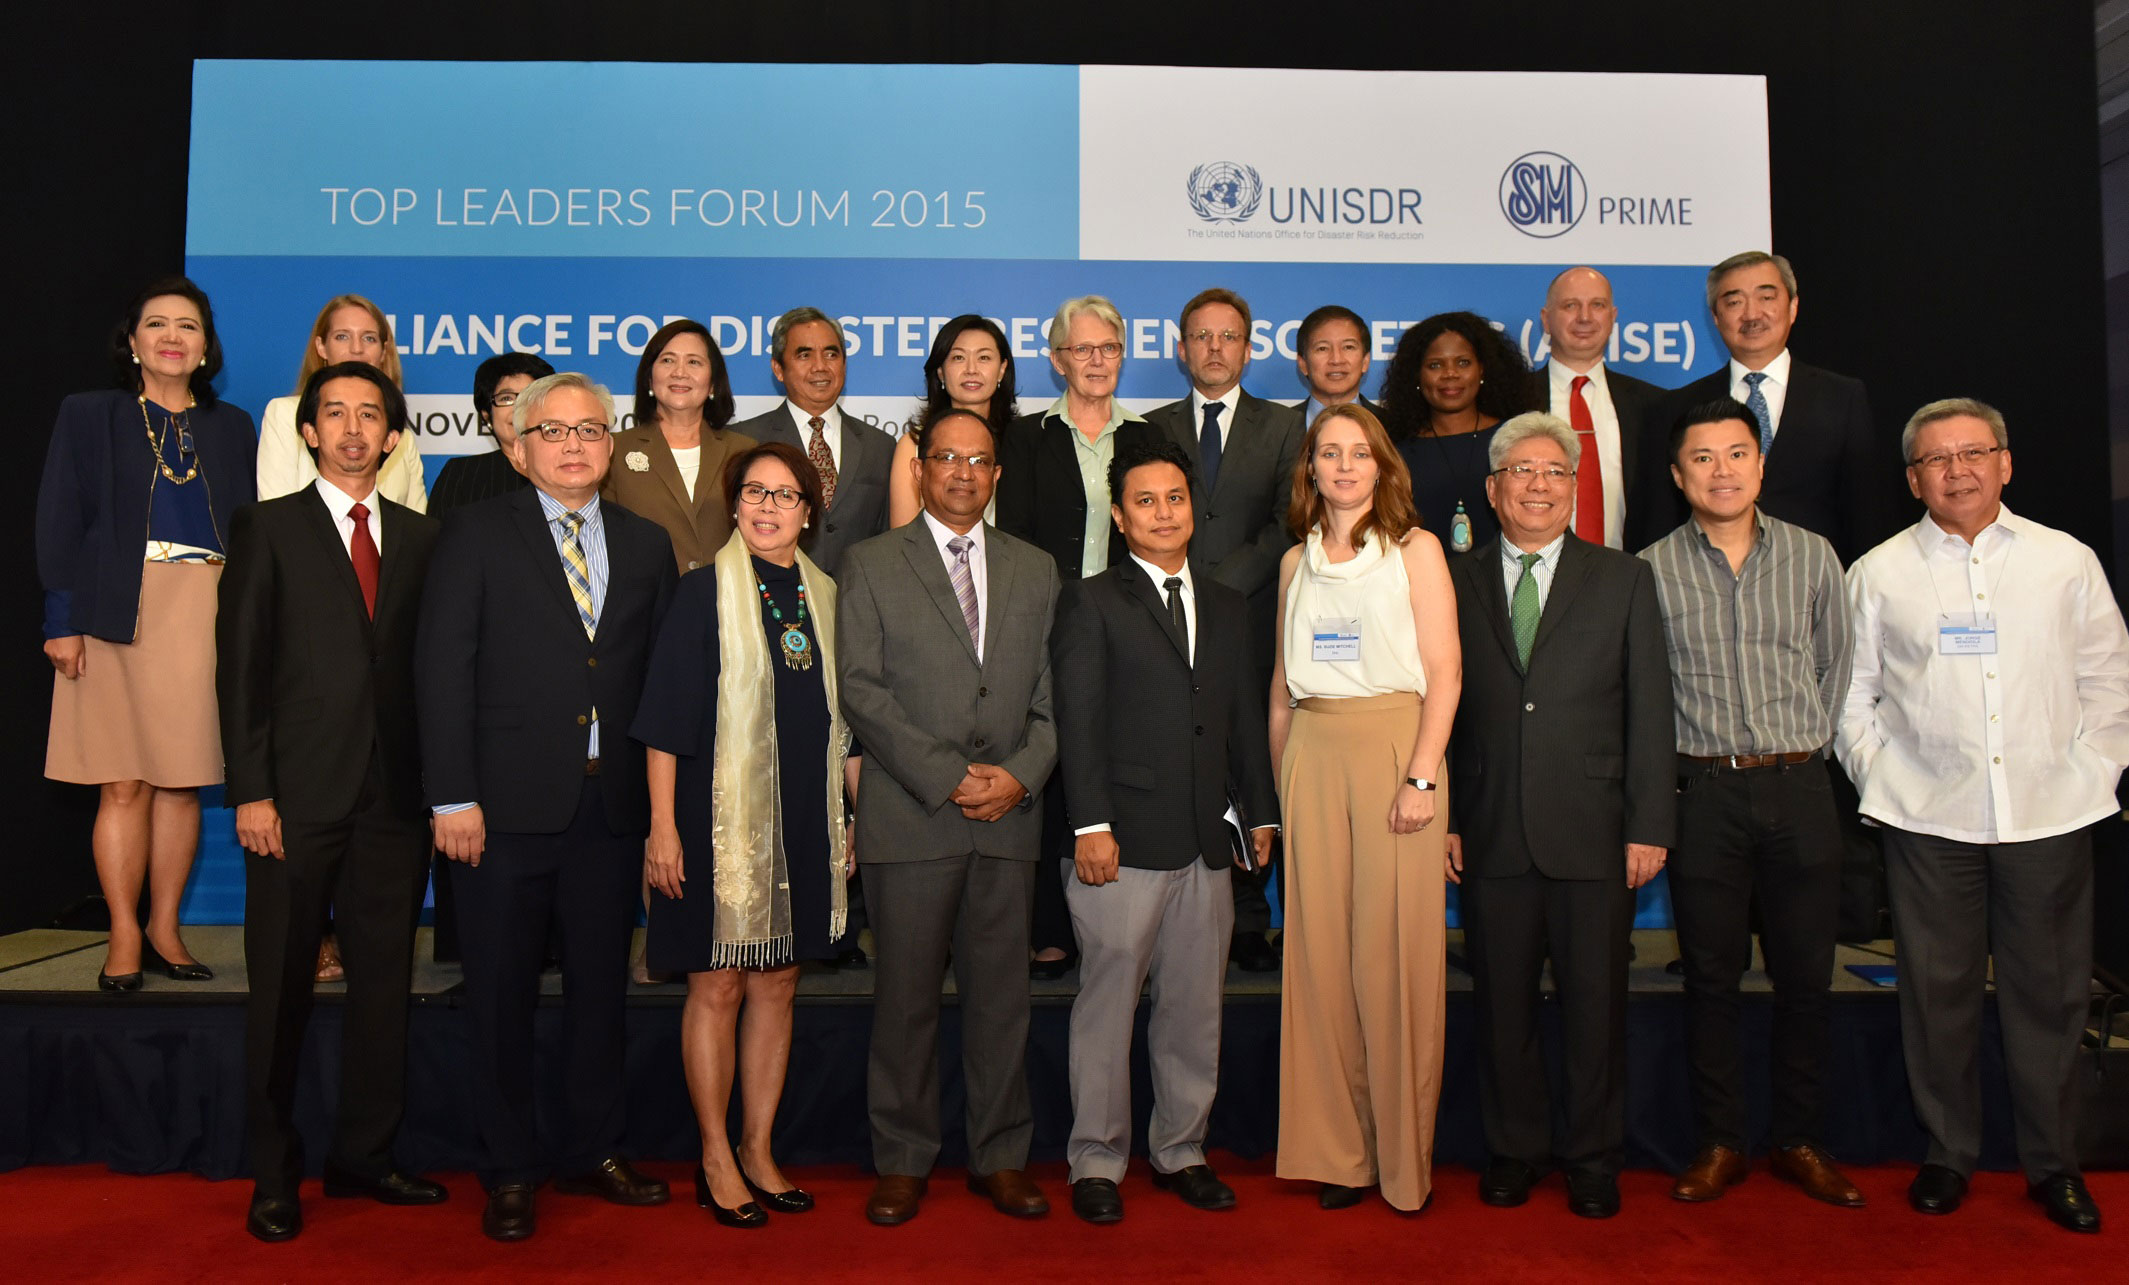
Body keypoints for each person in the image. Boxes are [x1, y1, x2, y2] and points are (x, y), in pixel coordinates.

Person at [1838, 398, 2129, 1234]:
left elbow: (2107, 677)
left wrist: (2093, 769)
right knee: (1937, 996)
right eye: (1936, 459)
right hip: (1928, 820)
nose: (1956, 470)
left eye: (1972, 453)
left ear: (2004, 462)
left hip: (2048, 813)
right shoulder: (1878, 572)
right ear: (1912, 480)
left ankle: (2053, 1164)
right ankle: (1947, 1153)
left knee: (2050, 997)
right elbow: (1850, 697)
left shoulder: (2064, 560)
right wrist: (1883, 778)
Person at [417, 372, 679, 1242]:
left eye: (590, 430)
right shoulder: (473, 532)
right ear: (519, 447)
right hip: (498, 812)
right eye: (554, 431)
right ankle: (509, 1166)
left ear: (612, 443)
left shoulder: (645, 543)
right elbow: (442, 668)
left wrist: (662, 809)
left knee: (600, 993)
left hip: (610, 809)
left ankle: (593, 1149)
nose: (573, 446)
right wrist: (452, 794)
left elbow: (658, 684)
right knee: (499, 998)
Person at [216, 362, 446, 1242]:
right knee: (280, 992)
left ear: (393, 436)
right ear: (309, 431)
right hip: (293, 800)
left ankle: (366, 1156)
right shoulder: (267, 526)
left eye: (370, 414)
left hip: (394, 801)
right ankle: (274, 1174)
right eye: (335, 414)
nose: (353, 428)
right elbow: (240, 670)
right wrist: (252, 790)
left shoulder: (423, 538)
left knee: (384, 989)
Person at [1446, 412, 1674, 1219]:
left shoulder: (1622, 578)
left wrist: (1649, 823)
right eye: (1521, 471)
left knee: (1594, 1008)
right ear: (1492, 489)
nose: (1537, 486)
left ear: (1574, 487)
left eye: (1554, 472)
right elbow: (1439, 705)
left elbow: (1650, 708)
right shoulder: (1452, 578)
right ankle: (1513, 1149)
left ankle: (1591, 1155)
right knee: (1501, 1006)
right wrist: (1445, 811)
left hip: (1595, 829)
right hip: (1488, 825)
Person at [837, 408, 1061, 1227]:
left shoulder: (1035, 567)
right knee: (905, 1003)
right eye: (946, 458)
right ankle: (902, 1159)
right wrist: (947, 775)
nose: (963, 472)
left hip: (1008, 816)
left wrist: (1020, 775)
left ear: (996, 473)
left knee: (1002, 1002)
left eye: (978, 460)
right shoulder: (870, 562)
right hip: (911, 815)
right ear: (921, 468)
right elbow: (860, 689)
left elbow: (1052, 695)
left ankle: (1000, 1155)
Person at [1639, 398, 1862, 1208]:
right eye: (1701, 458)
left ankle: (1798, 1139)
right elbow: (1646, 691)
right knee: (1710, 976)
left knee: (1806, 975)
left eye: (1736, 453)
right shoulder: (1648, 569)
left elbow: (1837, 666)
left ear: (1760, 464)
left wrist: (1803, 747)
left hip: (1798, 785)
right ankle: (1721, 1141)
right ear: (1677, 475)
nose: (1721, 470)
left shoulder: (1812, 555)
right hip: (1703, 792)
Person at [1052, 436, 1278, 1224]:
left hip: (1206, 842)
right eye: (1143, 501)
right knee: (1107, 1009)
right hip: (1118, 843)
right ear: (1119, 517)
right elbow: (1077, 721)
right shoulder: (1089, 602)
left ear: (1192, 507)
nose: (1162, 513)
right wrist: (1090, 824)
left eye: (1174, 498)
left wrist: (1261, 810)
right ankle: (1096, 1159)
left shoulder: (1225, 603)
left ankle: (1181, 1148)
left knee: (1193, 1008)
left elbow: (1242, 718)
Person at [635, 442, 849, 1228]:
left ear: (807, 512)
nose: (767, 507)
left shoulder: (827, 596)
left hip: (803, 817)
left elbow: (843, 727)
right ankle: (714, 1154)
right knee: (718, 984)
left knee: (778, 981)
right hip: (710, 819)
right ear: (734, 505)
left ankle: (758, 1149)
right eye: (754, 492)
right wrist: (662, 828)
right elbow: (663, 722)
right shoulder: (701, 592)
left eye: (785, 495)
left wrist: (847, 821)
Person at [1267, 403, 1460, 1213]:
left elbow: (1445, 673)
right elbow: (1280, 690)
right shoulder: (1294, 562)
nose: (1343, 465)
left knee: (1393, 961)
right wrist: (1283, 787)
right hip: (1312, 753)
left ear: (1382, 465)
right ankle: (1339, 1153)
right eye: (1328, 452)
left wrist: (1421, 778)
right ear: (1309, 467)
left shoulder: (1416, 549)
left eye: (1358, 452)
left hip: (1395, 753)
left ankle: (1401, 1159)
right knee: (1318, 961)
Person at [38, 275, 256, 990]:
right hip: (114, 610)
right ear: (131, 341)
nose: (172, 336)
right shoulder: (90, 414)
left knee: (182, 783)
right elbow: (61, 519)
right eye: (157, 323)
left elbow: (251, 531)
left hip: (204, 614)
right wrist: (63, 620)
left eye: (188, 326)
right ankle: (124, 933)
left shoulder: (233, 426)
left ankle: (166, 927)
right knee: (123, 782)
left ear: (206, 346)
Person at [1143, 289, 1306, 973]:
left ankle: (1250, 916)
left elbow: (1288, 520)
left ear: (1248, 347)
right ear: (1182, 350)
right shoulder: (1150, 425)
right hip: (1167, 621)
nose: (1215, 348)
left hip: (1251, 618)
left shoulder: (1285, 426)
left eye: (1228, 336)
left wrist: (1219, 588)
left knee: (1250, 757)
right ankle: (1177, 903)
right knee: (1185, 754)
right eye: (1202, 337)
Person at [998, 294, 1149, 979]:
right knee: (1048, 767)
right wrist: (1067, 608)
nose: (1096, 360)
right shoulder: (1026, 437)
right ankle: (1050, 928)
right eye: (1082, 349)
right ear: (1057, 360)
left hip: (1130, 627)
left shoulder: (1148, 436)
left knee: (1117, 763)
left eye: (1108, 348)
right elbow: (1014, 537)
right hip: (1045, 622)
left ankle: (1126, 925)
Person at [1655, 253, 1887, 564]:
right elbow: (1662, 515)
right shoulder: (1679, 406)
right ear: (1715, 317)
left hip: (1811, 576)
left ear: (1793, 307)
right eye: (1734, 302)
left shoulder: (1842, 398)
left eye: (1766, 297)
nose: (1752, 314)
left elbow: (1866, 511)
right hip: (1705, 578)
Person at [730, 307, 895, 575]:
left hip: (859, 596)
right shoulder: (744, 440)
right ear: (778, 369)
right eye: (804, 355)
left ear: (844, 364)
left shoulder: (881, 446)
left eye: (831, 354)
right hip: (770, 592)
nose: (820, 366)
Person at [602, 319, 757, 574]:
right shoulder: (614, 450)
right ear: (649, 379)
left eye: (694, 362)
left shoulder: (744, 452)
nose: (680, 372)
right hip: (644, 595)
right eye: (668, 360)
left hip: (724, 593)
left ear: (713, 383)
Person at [1382, 312, 1541, 557]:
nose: (1450, 374)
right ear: (1417, 375)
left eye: (1463, 363)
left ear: (1482, 370)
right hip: (1421, 577)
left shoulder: (1517, 440)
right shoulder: (1394, 450)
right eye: (1435, 365)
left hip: (1508, 576)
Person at [1536, 267, 1667, 551]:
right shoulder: (1509, 400)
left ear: (1612, 316)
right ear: (1546, 319)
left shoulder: (1656, 405)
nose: (1585, 317)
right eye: (1570, 305)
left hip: (1632, 568)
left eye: (1597, 305)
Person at [256, 294, 427, 510]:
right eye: (342, 337)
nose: (356, 349)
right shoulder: (285, 415)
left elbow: (416, 524)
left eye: (369, 338)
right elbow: (277, 514)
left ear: (384, 351)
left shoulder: (404, 440)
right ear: (321, 347)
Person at [889, 314, 1020, 527]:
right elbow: (902, 537)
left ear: (1002, 369)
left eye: (984, 358)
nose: (971, 369)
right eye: (958, 357)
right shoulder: (914, 445)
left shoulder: (1021, 442)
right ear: (941, 371)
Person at [428, 352, 554, 516]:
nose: (519, 407)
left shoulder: (571, 467)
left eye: (529, 396)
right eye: (506, 398)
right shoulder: (462, 475)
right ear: (487, 416)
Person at [1293, 304, 1381, 427]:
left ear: (1365, 361)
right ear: (1303, 364)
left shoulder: (1393, 427)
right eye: (1322, 348)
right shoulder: (1277, 428)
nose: (1336, 360)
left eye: (1348, 347)